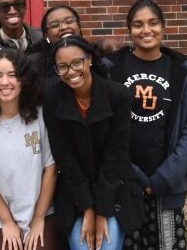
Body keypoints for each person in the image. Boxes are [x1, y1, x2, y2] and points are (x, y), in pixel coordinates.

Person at [103, 0, 187, 250]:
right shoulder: (111, 70)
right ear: (129, 30)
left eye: (153, 23)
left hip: (166, 186)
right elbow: (103, 128)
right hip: (124, 185)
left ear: (163, 27)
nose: (146, 30)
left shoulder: (183, 72)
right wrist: (135, 175)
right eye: (138, 25)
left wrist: (163, 178)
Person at [43, 36, 144, 250]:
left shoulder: (117, 95)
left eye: (77, 63)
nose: (71, 72)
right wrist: (87, 208)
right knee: (82, 245)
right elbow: (64, 156)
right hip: (75, 191)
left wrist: (102, 211)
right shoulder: (52, 98)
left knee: (107, 244)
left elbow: (116, 154)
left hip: (113, 187)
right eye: (62, 67)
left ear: (89, 60)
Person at [0, 49, 59, 250]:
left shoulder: (41, 116)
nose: (5, 82)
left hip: (41, 211)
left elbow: (51, 169)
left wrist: (39, 218)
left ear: (25, 79)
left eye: (13, 75)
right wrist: (7, 222)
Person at [26, 5, 83, 89]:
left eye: (69, 21)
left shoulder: (95, 57)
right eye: (55, 25)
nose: (64, 27)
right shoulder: (33, 64)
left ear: (79, 26)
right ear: (46, 35)